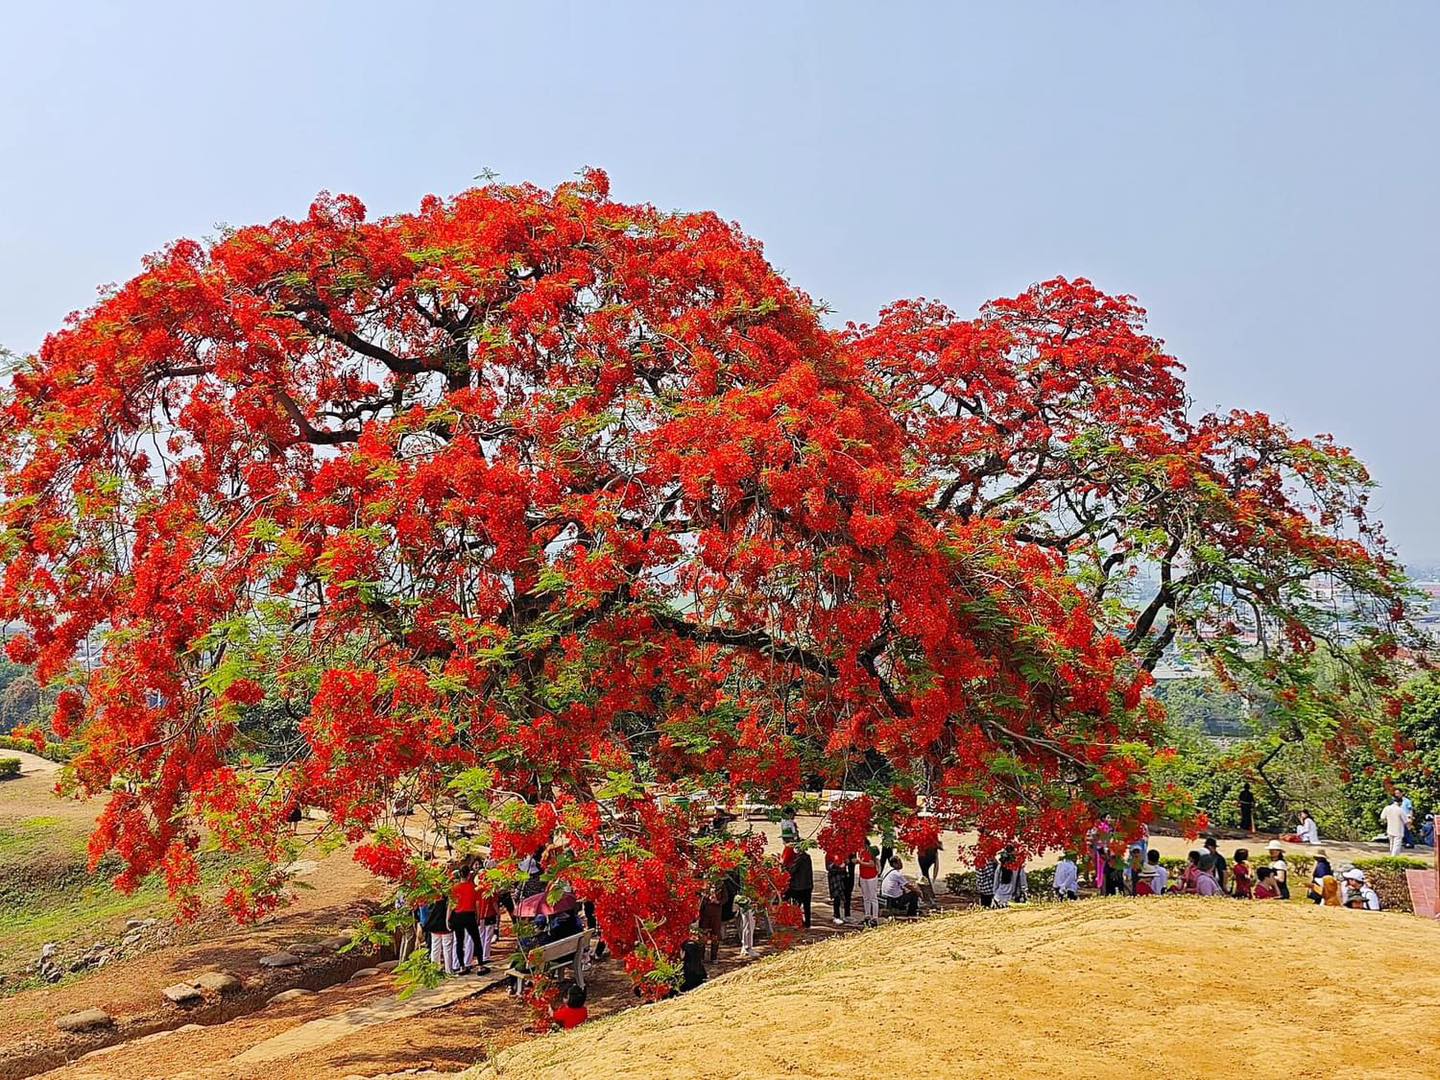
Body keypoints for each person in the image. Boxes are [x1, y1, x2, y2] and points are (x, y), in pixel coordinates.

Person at [449, 862, 486, 973]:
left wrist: (448, 918)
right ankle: (480, 965)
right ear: (469, 875)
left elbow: (451, 905)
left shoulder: (454, 888)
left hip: (457, 916)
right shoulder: (473, 888)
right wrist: (478, 918)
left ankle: (462, 966)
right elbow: (477, 904)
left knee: (459, 942)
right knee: (476, 940)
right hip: (469, 915)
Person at [422, 891, 459, 975]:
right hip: (445, 927)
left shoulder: (432, 900)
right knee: (447, 949)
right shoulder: (448, 899)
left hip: (434, 926)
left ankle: (434, 970)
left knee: (435, 948)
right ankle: (448, 970)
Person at [784, 843, 814, 928]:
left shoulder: (799, 858)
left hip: (799, 887)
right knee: (807, 906)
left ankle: (798, 922)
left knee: (797, 906)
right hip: (808, 885)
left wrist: (785, 868)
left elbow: (792, 870)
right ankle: (807, 923)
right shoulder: (807, 857)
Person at [698, 879, 724, 962]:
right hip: (705, 914)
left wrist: (718, 901)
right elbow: (698, 895)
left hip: (716, 914)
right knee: (703, 935)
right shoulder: (703, 883)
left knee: (715, 935)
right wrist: (706, 896)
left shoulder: (721, 884)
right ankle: (701, 957)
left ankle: (714, 957)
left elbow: (725, 898)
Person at [825, 849, 852, 925]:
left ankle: (847, 915)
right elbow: (828, 867)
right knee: (837, 896)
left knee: (847, 895)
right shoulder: (829, 853)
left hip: (843, 875)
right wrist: (836, 864)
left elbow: (847, 862)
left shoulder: (843, 852)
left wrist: (846, 862)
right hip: (835, 876)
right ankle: (836, 916)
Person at [857, 844, 881, 926]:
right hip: (863, 876)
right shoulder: (861, 852)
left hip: (871, 877)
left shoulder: (870, 852)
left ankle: (875, 917)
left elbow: (871, 864)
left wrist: (860, 862)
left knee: (873, 897)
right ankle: (867, 915)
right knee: (865, 897)